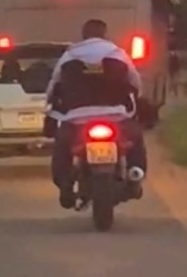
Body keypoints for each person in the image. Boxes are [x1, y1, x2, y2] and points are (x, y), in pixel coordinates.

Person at [46, 19, 148, 209]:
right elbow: (135, 82)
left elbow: (54, 85)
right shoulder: (117, 53)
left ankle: (65, 184)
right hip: (116, 115)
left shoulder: (69, 55)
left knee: (62, 145)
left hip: (76, 118)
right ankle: (135, 173)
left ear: (84, 35)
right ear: (104, 34)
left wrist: (51, 104)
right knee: (135, 139)